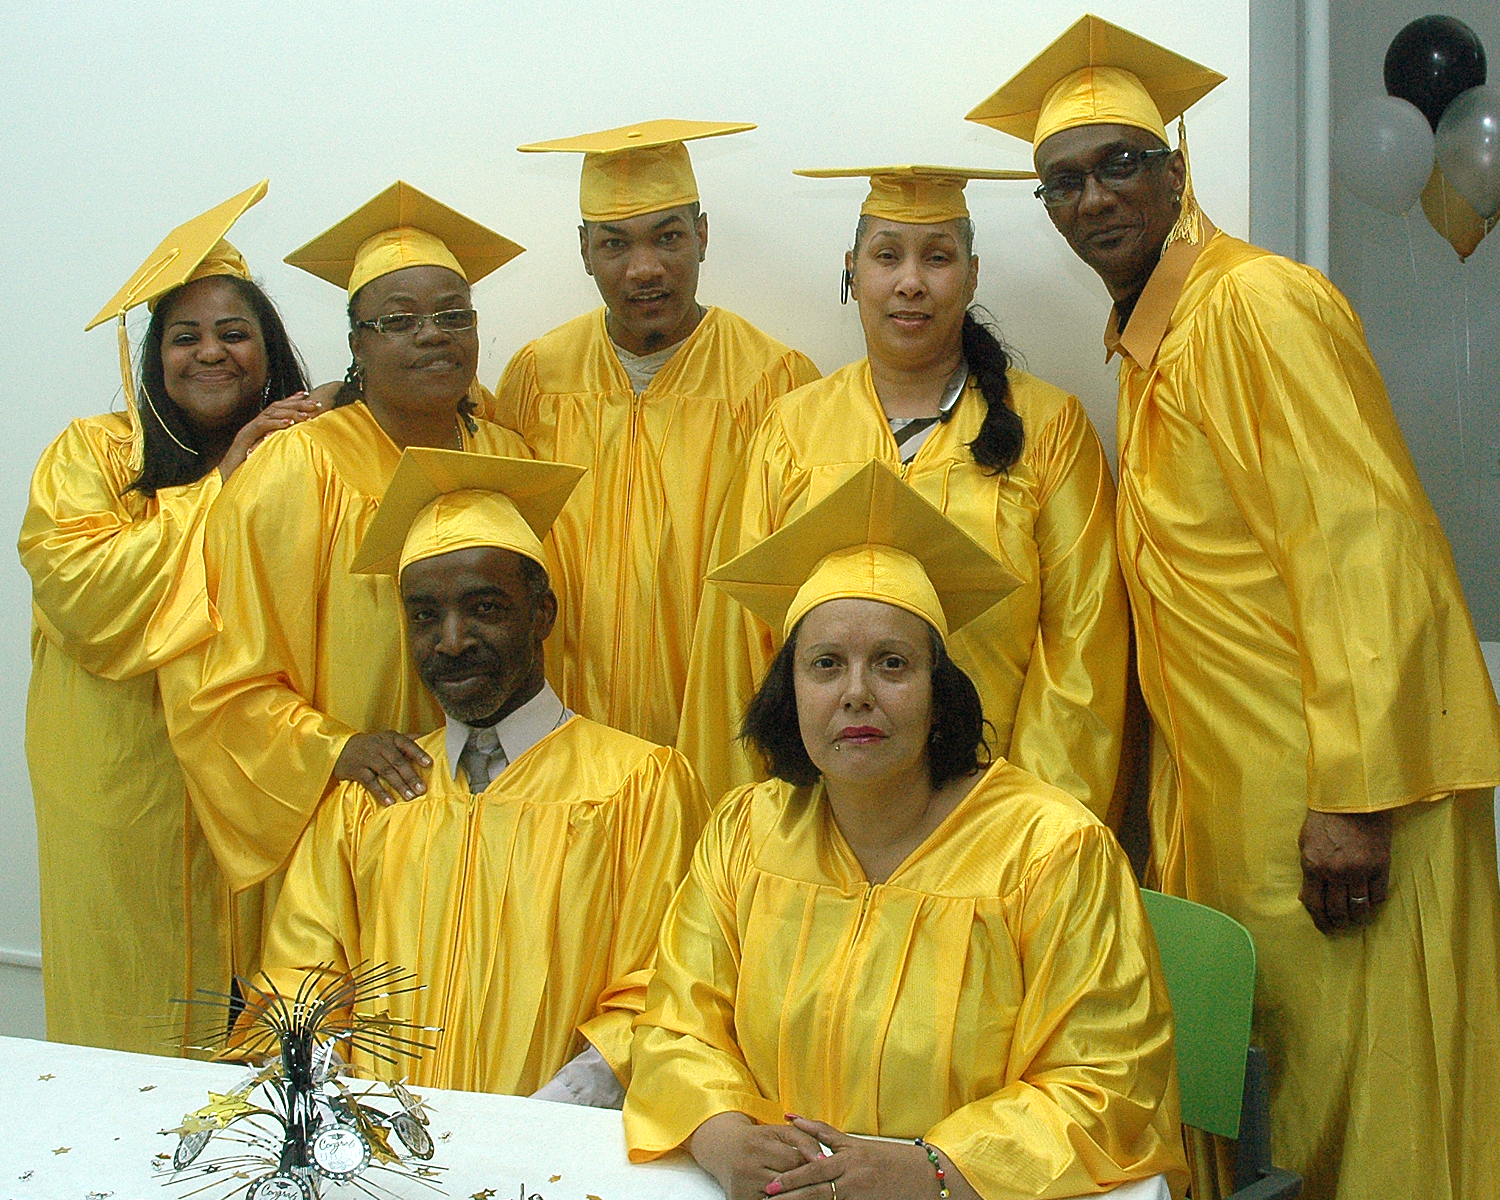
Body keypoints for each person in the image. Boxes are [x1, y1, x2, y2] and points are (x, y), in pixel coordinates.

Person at [968, 14, 1500, 1199]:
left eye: (1120, 164)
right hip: (1236, 801)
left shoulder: (1256, 307)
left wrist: (1355, 799)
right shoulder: (1151, 343)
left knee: (1355, 1100)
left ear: (1176, 168)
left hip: (1329, 802)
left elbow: (1368, 549)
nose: (1094, 198)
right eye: (1064, 181)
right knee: (1274, 1093)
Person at [625, 461, 1185, 1200]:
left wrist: (934, 1169)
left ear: (938, 692)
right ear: (787, 693)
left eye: (892, 663)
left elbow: (1108, 1078)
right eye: (826, 665)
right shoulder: (745, 835)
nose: (857, 693)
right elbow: (674, 1026)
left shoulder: (1050, 851)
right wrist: (725, 1138)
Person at [254, 448, 708, 1099]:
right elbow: (302, 977)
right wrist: (341, 1110)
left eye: (486, 608)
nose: (452, 640)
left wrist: (546, 1118)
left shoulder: (641, 786)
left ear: (542, 616)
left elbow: (668, 980)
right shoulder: (373, 800)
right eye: (424, 616)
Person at [679, 165, 1130, 818]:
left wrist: (1032, 834)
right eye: (887, 256)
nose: (910, 282)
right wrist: (759, 831)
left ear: (972, 275)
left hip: (994, 813)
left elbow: (1082, 656)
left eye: (938, 257)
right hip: (821, 825)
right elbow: (739, 650)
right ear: (853, 271)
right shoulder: (792, 432)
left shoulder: (1049, 428)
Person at [168, 182, 533, 980]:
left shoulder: (510, 458)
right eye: (398, 322)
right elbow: (211, 676)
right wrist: (332, 750)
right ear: (357, 345)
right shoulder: (295, 472)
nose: (432, 337)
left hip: (503, 817)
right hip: (349, 825)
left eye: (453, 315)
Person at [20, 182, 321, 1054]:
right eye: (184, 336)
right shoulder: (93, 452)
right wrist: (225, 482)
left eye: (234, 332)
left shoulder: (298, 450)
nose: (210, 352)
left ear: (269, 352)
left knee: (269, 1010)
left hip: (262, 773)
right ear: (154, 356)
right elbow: (85, 589)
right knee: (130, 1010)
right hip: (127, 781)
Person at [489, 119, 821, 748]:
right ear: (584, 251)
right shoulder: (538, 377)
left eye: (667, 238)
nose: (644, 269)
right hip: (561, 727)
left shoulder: (776, 380)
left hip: (725, 726)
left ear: (701, 236)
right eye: (615, 245)